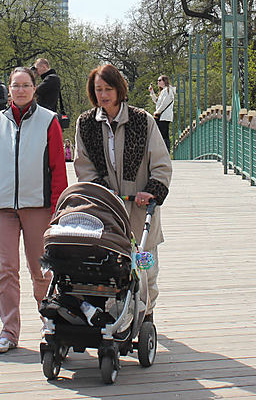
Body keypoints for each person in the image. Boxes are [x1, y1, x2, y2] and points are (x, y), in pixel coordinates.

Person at [0, 66, 68, 354]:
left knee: (41, 270)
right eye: (15, 85)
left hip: (38, 205)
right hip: (2, 206)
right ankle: (9, 331)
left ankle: (50, 324)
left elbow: (57, 169)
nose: (21, 90)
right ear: (9, 89)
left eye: (26, 85)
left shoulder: (49, 121)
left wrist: (58, 209)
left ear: (34, 88)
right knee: (6, 270)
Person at [74, 63, 172, 320]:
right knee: (108, 268)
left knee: (145, 268)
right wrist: (102, 193)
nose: (103, 95)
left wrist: (152, 191)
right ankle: (115, 315)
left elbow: (161, 164)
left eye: (108, 89)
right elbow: (83, 166)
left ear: (119, 90)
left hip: (140, 210)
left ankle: (146, 313)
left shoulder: (142, 121)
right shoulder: (85, 124)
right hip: (106, 212)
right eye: (98, 90)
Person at [149, 74, 176, 150]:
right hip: (161, 116)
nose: (158, 82)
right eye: (158, 80)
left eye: (160, 80)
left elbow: (165, 103)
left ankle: (166, 151)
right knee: (162, 134)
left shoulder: (168, 90)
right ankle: (163, 151)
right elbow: (157, 101)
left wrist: (157, 112)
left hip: (164, 116)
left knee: (164, 134)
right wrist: (152, 92)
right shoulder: (163, 91)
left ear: (165, 81)